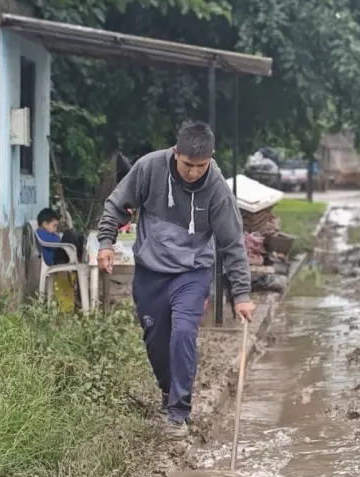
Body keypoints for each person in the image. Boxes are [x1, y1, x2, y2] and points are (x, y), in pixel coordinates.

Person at [97, 121, 254, 438]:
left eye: (201, 166)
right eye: (187, 165)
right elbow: (117, 204)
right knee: (155, 341)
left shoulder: (218, 190)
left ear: (211, 158)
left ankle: (178, 414)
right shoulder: (149, 168)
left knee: (183, 332)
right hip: (151, 272)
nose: (193, 173)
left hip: (192, 272)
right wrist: (106, 243)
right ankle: (169, 392)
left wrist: (242, 294)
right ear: (175, 153)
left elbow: (232, 243)